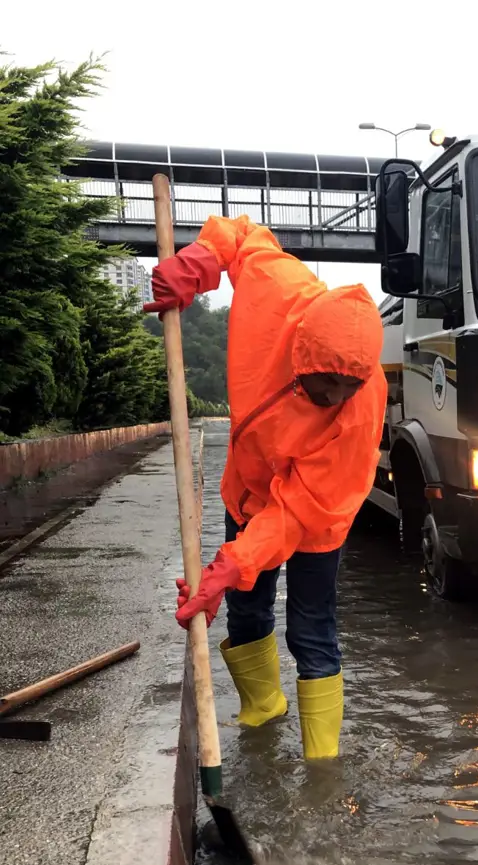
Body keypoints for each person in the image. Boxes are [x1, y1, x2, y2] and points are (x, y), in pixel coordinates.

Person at [146, 216, 385, 759]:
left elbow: (298, 511)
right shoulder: (276, 291)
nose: (336, 398)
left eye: (351, 386)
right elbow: (240, 235)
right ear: (304, 353)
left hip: (316, 517)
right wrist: (198, 263)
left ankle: (322, 763)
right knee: (248, 611)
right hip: (248, 491)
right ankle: (263, 715)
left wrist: (229, 565)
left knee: (310, 627)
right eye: (329, 383)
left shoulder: (359, 409)